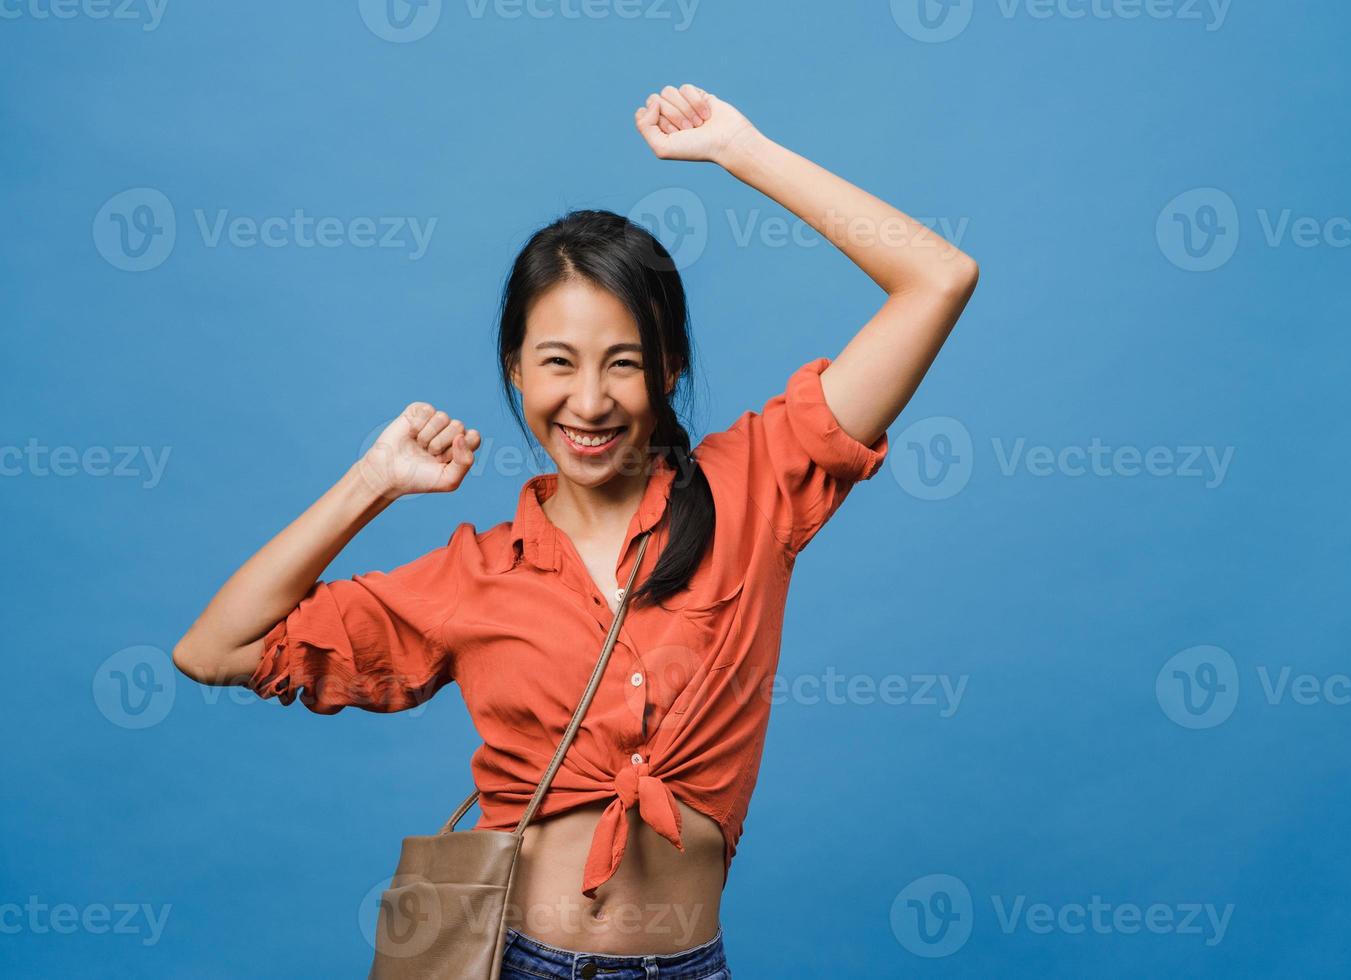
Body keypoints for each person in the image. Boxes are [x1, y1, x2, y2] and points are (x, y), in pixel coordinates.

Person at [172, 83, 978, 979]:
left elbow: (937, 278)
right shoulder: (474, 573)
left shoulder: (754, 489)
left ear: (670, 368)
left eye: (622, 364)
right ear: (516, 370)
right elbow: (215, 649)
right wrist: (374, 483)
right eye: (556, 363)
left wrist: (743, 152)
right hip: (518, 963)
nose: (588, 402)